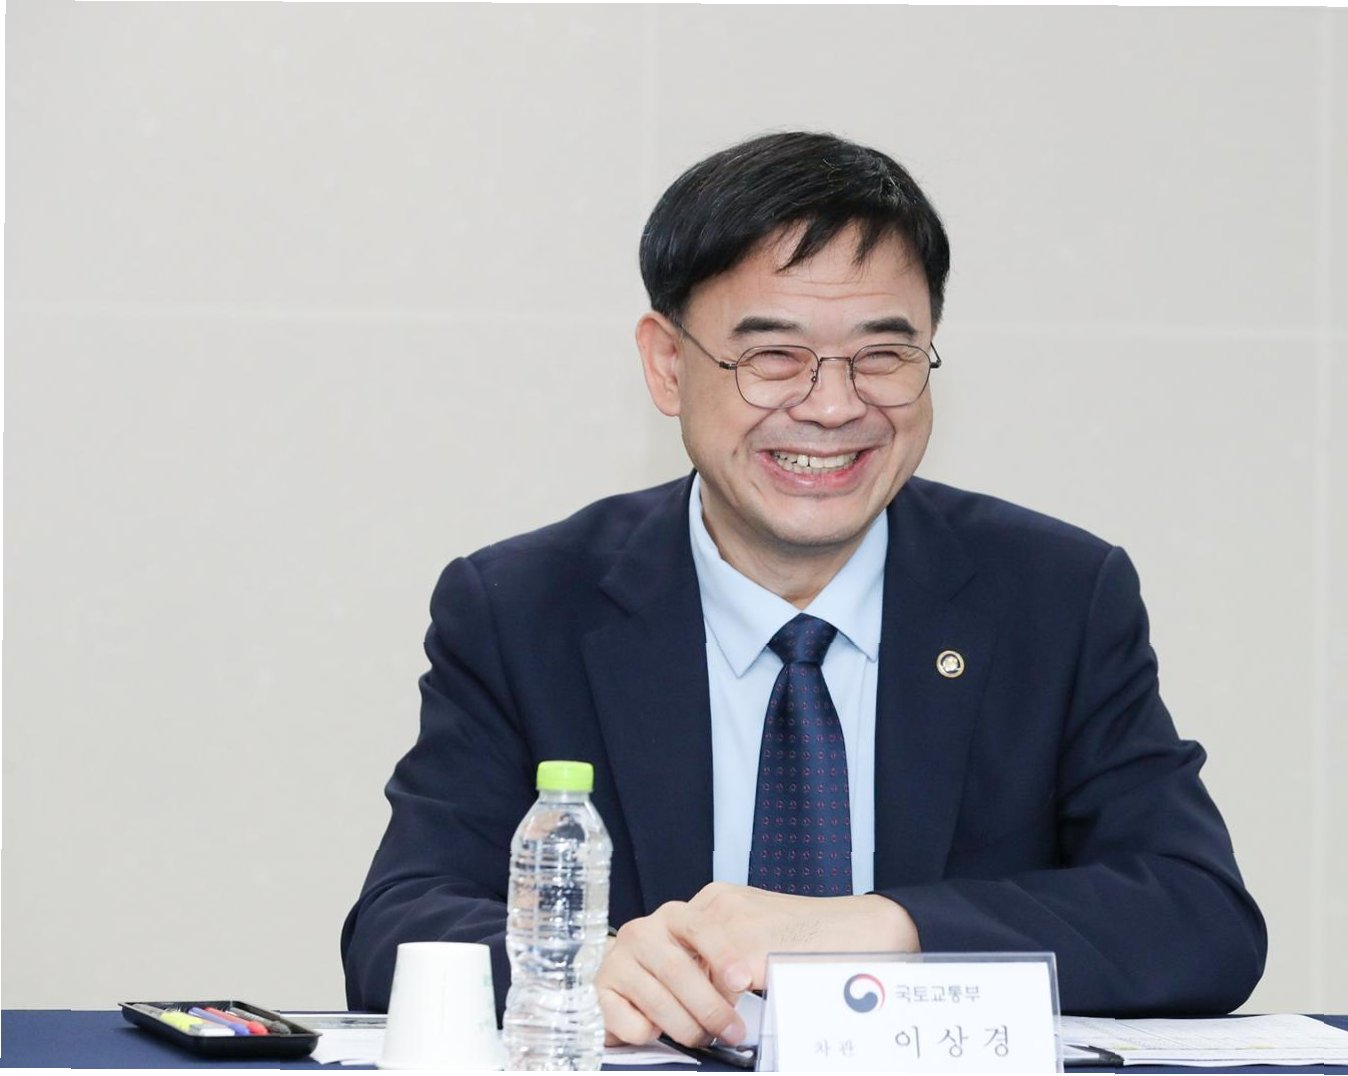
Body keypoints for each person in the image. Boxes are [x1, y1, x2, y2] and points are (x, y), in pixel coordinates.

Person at [340, 130, 1267, 1048]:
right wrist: (589, 966)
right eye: (773, 357)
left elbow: (1198, 915)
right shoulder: (523, 607)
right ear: (668, 364)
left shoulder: (1055, 598)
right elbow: (397, 925)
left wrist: (881, 929)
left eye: (883, 356)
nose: (832, 406)